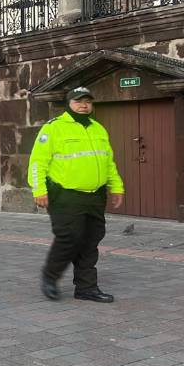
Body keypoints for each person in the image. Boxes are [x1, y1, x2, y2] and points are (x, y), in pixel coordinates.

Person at [28, 87, 125, 303]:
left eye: (88, 101)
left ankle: (86, 288)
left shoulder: (98, 129)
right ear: (69, 104)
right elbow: (37, 162)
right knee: (69, 238)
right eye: (78, 101)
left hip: (95, 195)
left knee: (91, 241)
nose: (84, 105)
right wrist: (39, 190)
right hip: (65, 196)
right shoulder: (53, 128)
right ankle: (50, 277)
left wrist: (116, 186)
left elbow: (107, 161)